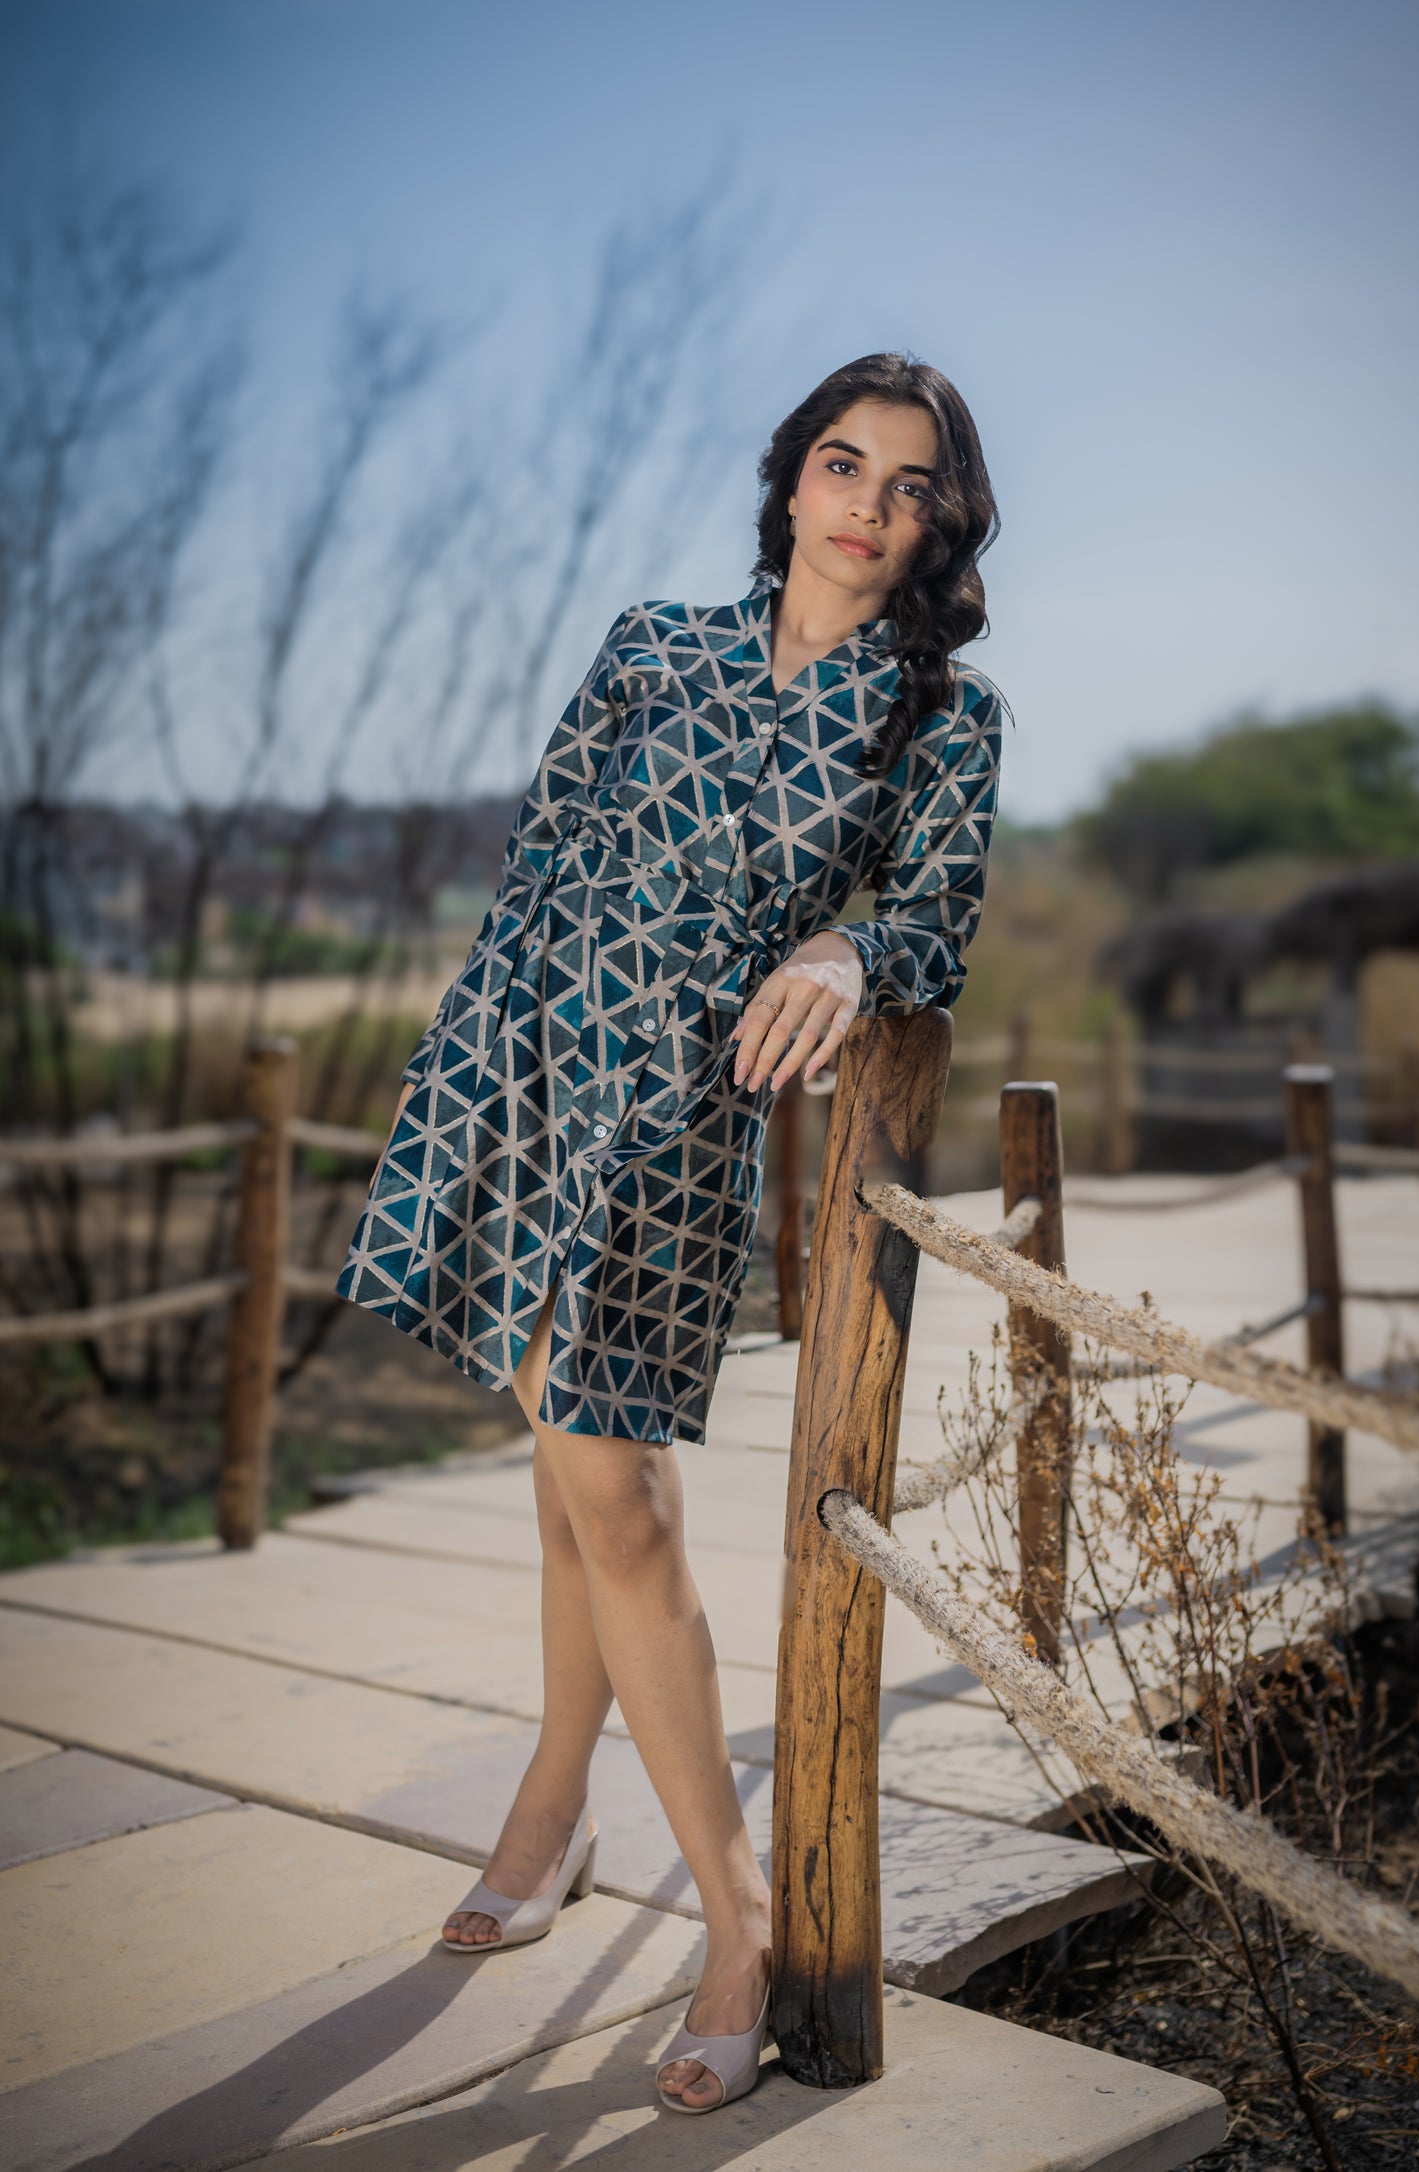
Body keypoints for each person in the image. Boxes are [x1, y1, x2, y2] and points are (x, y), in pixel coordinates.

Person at [334, 350, 1004, 2113]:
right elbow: (538, 855)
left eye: (906, 484)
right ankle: (652, 1867)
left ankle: (698, 1899)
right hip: (527, 1064)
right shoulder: (651, 645)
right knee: (595, 1482)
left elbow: (931, 911)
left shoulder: (943, 712)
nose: (866, 505)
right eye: (841, 465)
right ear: (790, 481)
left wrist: (844, 949)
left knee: (605, 1491)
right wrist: (470, 1082)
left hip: (681, 1132)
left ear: (938, 521)